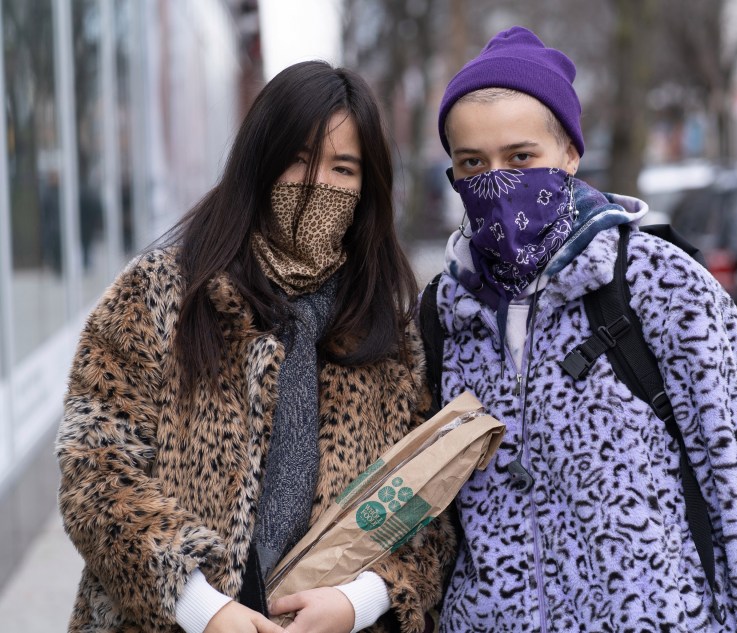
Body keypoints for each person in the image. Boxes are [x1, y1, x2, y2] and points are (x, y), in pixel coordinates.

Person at [426, 26, 737, 631]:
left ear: (570, 156)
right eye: (473, 163)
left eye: (521, 158)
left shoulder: (662, 287)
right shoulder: (442, 315)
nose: (497, 183)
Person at [56, 61, 455, 633]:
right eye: (298, 158)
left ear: (368, 186)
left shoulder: (390, 331)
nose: (318, 184)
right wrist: (201, 607)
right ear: (259, 160)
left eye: (343, 167)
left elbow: (427, 504)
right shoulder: (160, 296)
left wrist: (362, 601)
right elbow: (94, 471)